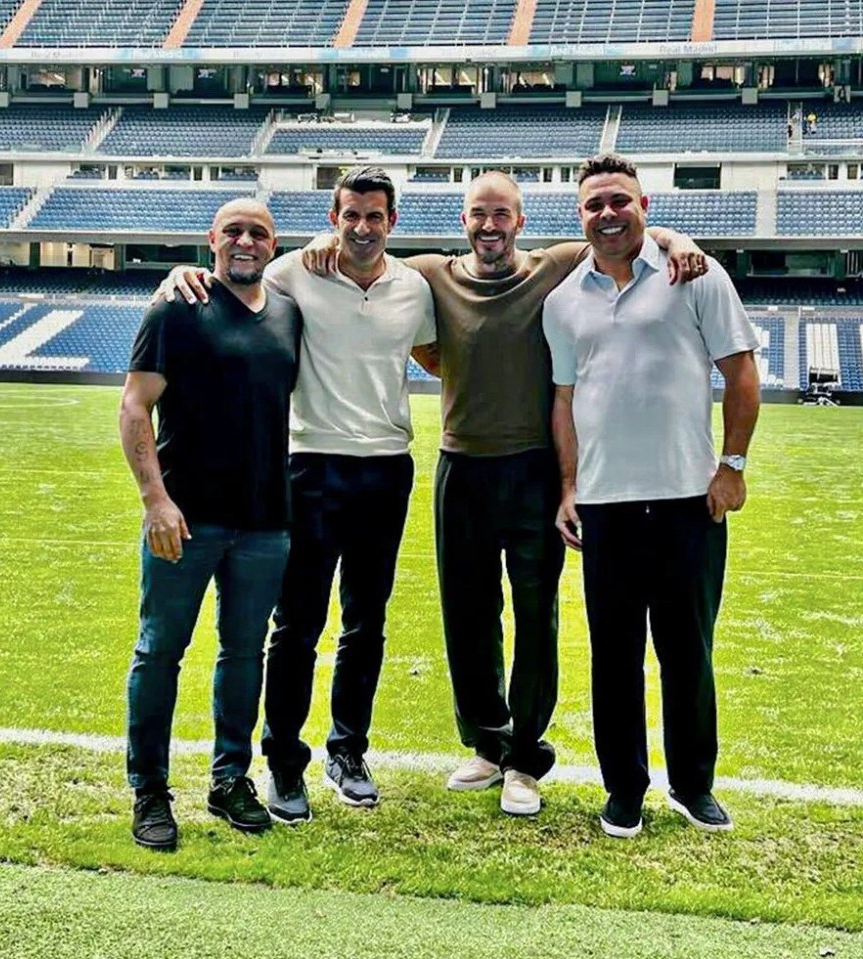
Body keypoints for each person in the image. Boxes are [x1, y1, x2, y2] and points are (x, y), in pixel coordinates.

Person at [299, 171, 708, 816]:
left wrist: (673, 235)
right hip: (460, 465)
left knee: (535, 614)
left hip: (533, 469)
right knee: (466, 613)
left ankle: (526, 756)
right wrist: (318, 246)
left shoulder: (556, 266)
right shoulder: (432, 273)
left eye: (501, 215)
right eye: (477, 215)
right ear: (464, 221)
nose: (489, 226)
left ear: (520, 220)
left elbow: (623, 236)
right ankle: (487, 743)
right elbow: (361, 249)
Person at [155, 167, 436, 825]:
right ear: (333, 218)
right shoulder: (292, 271)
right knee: (298, 624)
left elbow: (432, 354)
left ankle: (349, 751)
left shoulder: (413, 288)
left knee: (367, 621)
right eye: (350, 215)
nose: (361, 227)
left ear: (391, 222)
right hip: (309, 468)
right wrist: (175, 276)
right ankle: (284, 762)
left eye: (374, 216)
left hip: (387, 468)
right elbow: (232, 276)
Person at [543, 154, 760, 838]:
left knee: (686, 650)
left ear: (643, 204)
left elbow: (740, 371)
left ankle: (692, 784)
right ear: (578, 216)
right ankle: (623, 789)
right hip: (605, 506)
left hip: (686, 502)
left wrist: (730, 463)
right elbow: (564, 399)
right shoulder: (562, 300)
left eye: (618, 201)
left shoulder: (692, 274)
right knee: (612, 656)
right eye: (592, 205)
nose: (606, 214)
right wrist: (569, 486)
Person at [120, 199, 301, 850]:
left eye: (258, 233)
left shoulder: (287, 313)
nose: (245, 242)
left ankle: (230, 779)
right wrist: (155, 500)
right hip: (186, 519)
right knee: (159, 651)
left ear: (274, 244)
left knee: (244, 653)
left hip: (265, 522)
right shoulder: (177, 307)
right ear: (212, 240)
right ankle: (149, 791)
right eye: (234, 231)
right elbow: (135, 406)